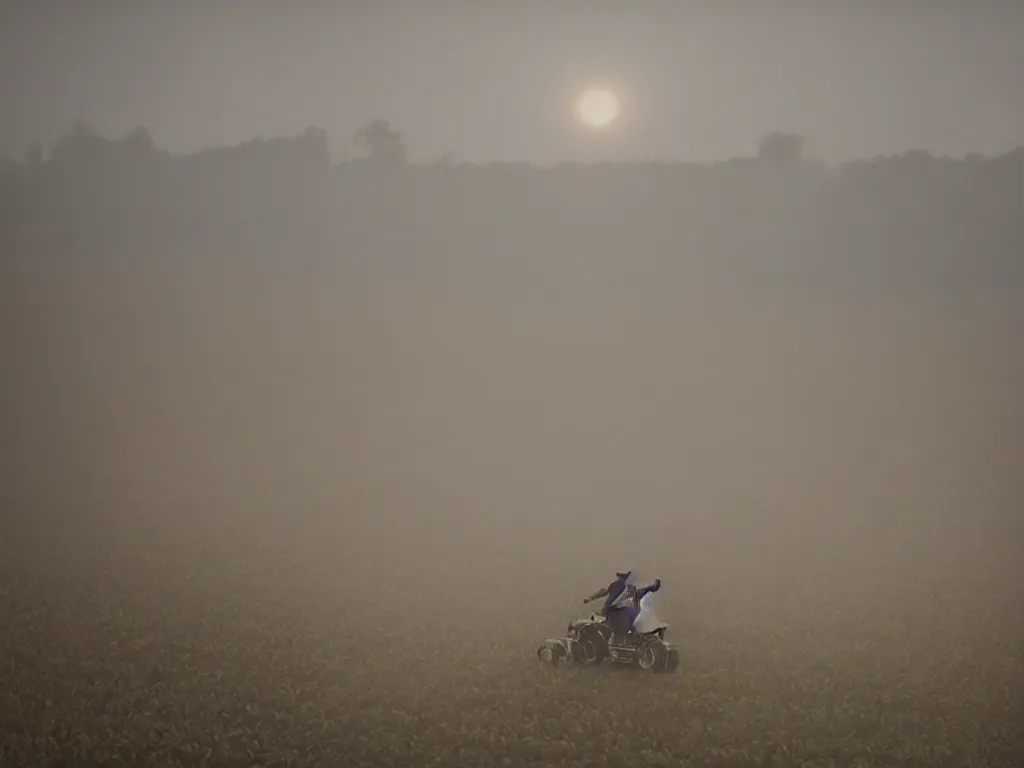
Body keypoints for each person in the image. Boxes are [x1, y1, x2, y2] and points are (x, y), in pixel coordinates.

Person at [585, 572, 662, 647]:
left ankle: (616, 644)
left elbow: (603, 592)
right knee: (628, 630)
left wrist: (591, 598)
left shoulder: (616, 586)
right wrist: (653, 586)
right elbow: (643, 591)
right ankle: (622, 644)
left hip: (613, 617)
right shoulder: (630, 589)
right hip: (622, 618)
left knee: (614, 630)